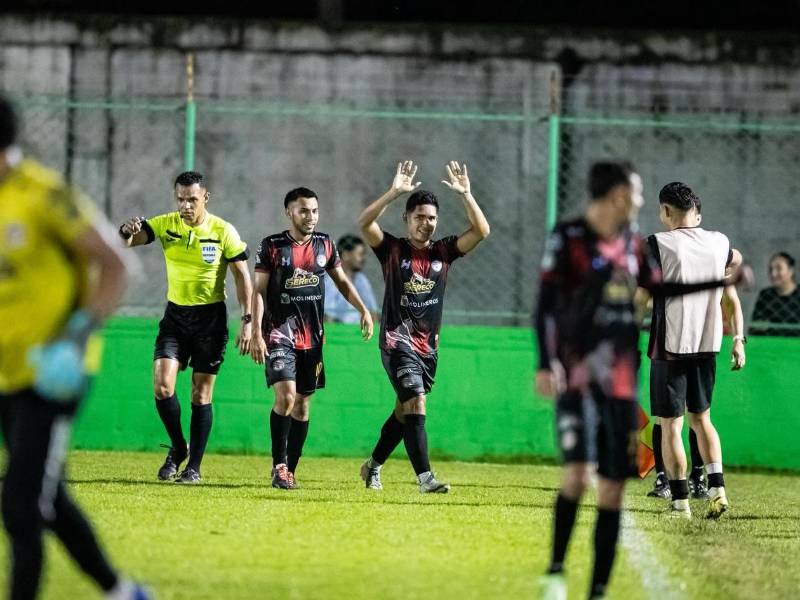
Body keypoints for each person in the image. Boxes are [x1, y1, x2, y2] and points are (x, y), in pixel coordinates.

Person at [535, 163, 741, 600]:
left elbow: (652, 292)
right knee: (576, 476)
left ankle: (600, 585)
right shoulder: (570, 237)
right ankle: (555, 572)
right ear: (613, 195)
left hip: (635, 370)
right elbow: (547, 302)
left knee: (614, 483)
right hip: (584, 371)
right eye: (635, 192)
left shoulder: (638, 245)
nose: (643, 203)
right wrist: (546, 360)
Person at [0, 95, 148, 600]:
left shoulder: (44, 195)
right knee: (47, 496)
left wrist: (75, 338)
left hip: (54, 372)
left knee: (20, 504)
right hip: (8, 374)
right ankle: (120, 590)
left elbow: (117, 265)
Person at [357, 161, 490, 493]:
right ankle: (425, 478)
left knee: (404, 411)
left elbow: (482, 231)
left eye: (431, 218)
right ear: (407, 219)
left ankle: (372, 466)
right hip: (396, 342)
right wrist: (393, 192)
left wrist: (467, 195)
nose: (426, 224)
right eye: (419, 217)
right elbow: (364, 223)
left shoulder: (443, 252)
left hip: (427, 348)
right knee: (416, 401)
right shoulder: (392, 250)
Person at [119, 171, 253, 484]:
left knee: (200, 393)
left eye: (192, 199)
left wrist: (247, 321)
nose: (186, 205)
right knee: (162, 384)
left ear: (206, 197)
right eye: (181, 198)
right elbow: (130, 241)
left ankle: (194, 467)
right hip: (175, 318)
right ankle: (179, 447)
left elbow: (242, 278)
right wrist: (126, 231)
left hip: (210, 320)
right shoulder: (166, 224)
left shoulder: (223, 230)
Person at [250, 187, 373, 489]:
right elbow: (259, 292)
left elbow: (342, 282)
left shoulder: (325, 245)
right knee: (286, 396)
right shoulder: (272, 246)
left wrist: (363, 310)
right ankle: (279, 466)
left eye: (315, 210)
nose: (310, 216)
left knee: (303, 405)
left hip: (313, 339)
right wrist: (254, 330)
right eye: (304, 210)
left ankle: (289, 470)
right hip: (279, 332)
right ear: (289, 212)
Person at [645, 182, 746, 519]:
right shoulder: (719, 242)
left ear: (666, 211)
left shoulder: (658, 244)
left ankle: (680, 503)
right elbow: (737, 258)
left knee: (671, 427)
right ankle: (718, 490)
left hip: (670, 345)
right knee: (702, 419)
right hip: (706, 345)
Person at [324, 233, 380, 324]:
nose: (363, 259)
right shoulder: (331, 281)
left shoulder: (361, 280)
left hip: (359, 333)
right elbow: (327, 317)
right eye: (360, 254)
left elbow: (373, 312)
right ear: (346, 255)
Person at [750, 252, 800, 336]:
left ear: (790, 270)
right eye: (770, 269)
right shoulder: (765, 295)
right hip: (770, 345)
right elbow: (755, 326)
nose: (773, 274)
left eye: (779, 268)